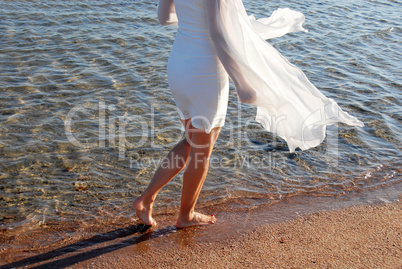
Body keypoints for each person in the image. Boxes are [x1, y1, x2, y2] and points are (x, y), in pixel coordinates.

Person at [134, 0, 364, 228]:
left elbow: (164, 18)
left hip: (178, 65)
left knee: (191, 140)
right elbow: (217, 33)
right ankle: (186, 216)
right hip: (205, 71)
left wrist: (193, 23)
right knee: (202, 150)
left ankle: (146, 199)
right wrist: (240, 82)